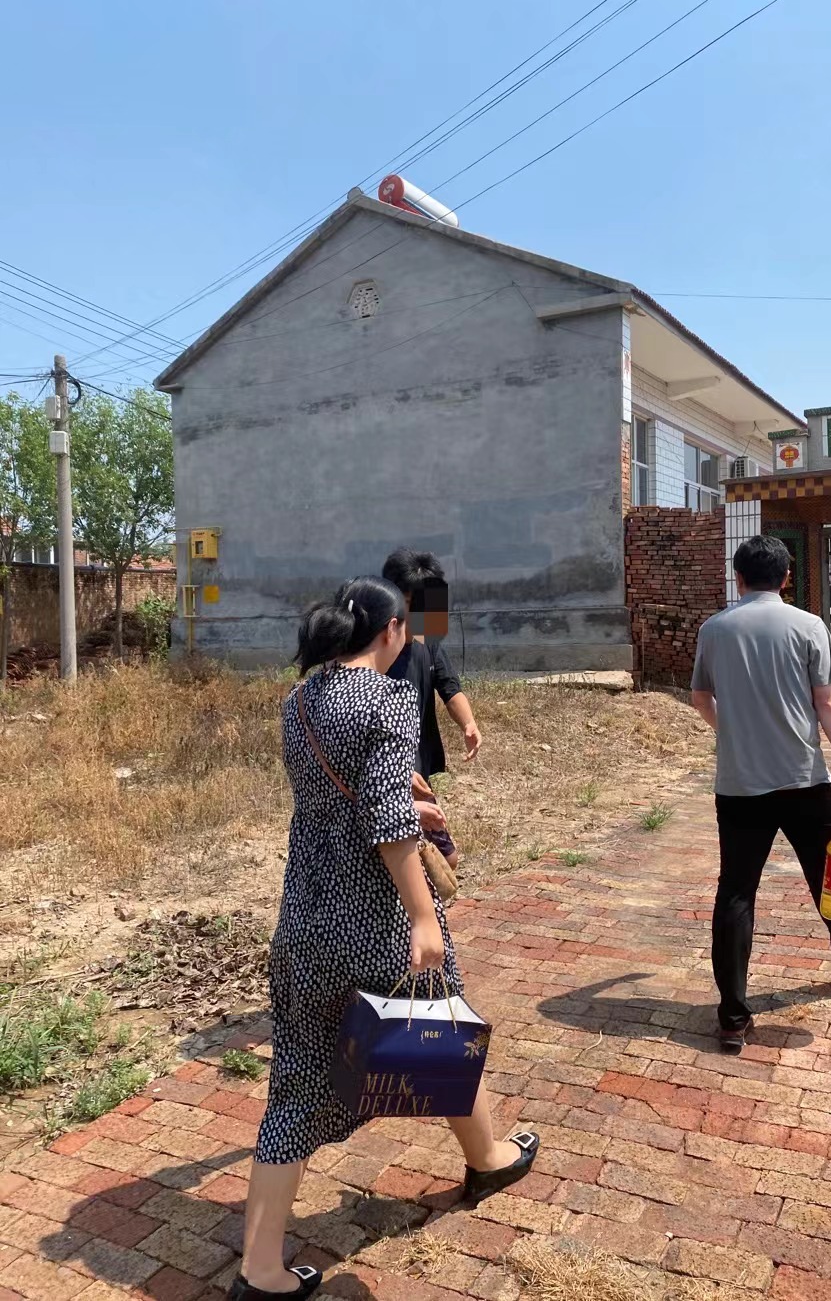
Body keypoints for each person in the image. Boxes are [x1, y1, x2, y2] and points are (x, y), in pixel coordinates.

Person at [229, 577, 539, 1300]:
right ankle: (488, 1159)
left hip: (306, 916)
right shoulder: (388, 699)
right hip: (376, 919)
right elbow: (387, 821)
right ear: (393, 630)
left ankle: (260, 1269)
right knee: (440, 1029)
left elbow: (336, 802)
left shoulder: (297, 701)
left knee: (295, 1087)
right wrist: (424, 917)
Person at [690, 535, 831, 1056]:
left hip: (739, 786)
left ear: (738, 578)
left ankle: (732, 1017)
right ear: (787, 578)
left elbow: (700, 697)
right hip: (803, 781)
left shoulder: (714, 629)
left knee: (736, 893)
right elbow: (828, 702)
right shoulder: (809, 626)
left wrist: (732, 732)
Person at [381, 549, 482, 871]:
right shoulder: (376, 649)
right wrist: (394, 770)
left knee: (441, 860)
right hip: (384, 773)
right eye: (411, 602)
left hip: (418, 767)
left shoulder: (429, 638)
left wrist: (468, 724)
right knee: (425, 861)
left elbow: (449, 686)